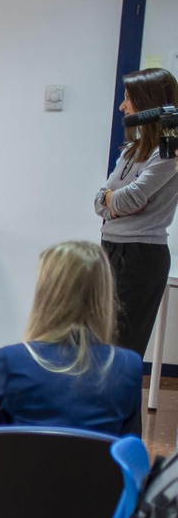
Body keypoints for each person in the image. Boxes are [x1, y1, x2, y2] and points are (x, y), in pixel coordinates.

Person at [0, 241, 141, 437]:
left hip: (24, 459)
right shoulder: (128, 366)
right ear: (104, 296)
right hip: (96, 459)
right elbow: (127, 448)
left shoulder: (9, 362)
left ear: (45, 294)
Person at [97, 67, 178, 355]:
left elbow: (129, 200)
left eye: (129, 98)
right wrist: (110, 199)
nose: (123, 106)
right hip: (110, 248)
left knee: (122, 348)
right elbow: (100, 201)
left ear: (149, 101)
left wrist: (112, 199)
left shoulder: (169, 151)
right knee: (101, 342)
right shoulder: (133, 149)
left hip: (140, 256)